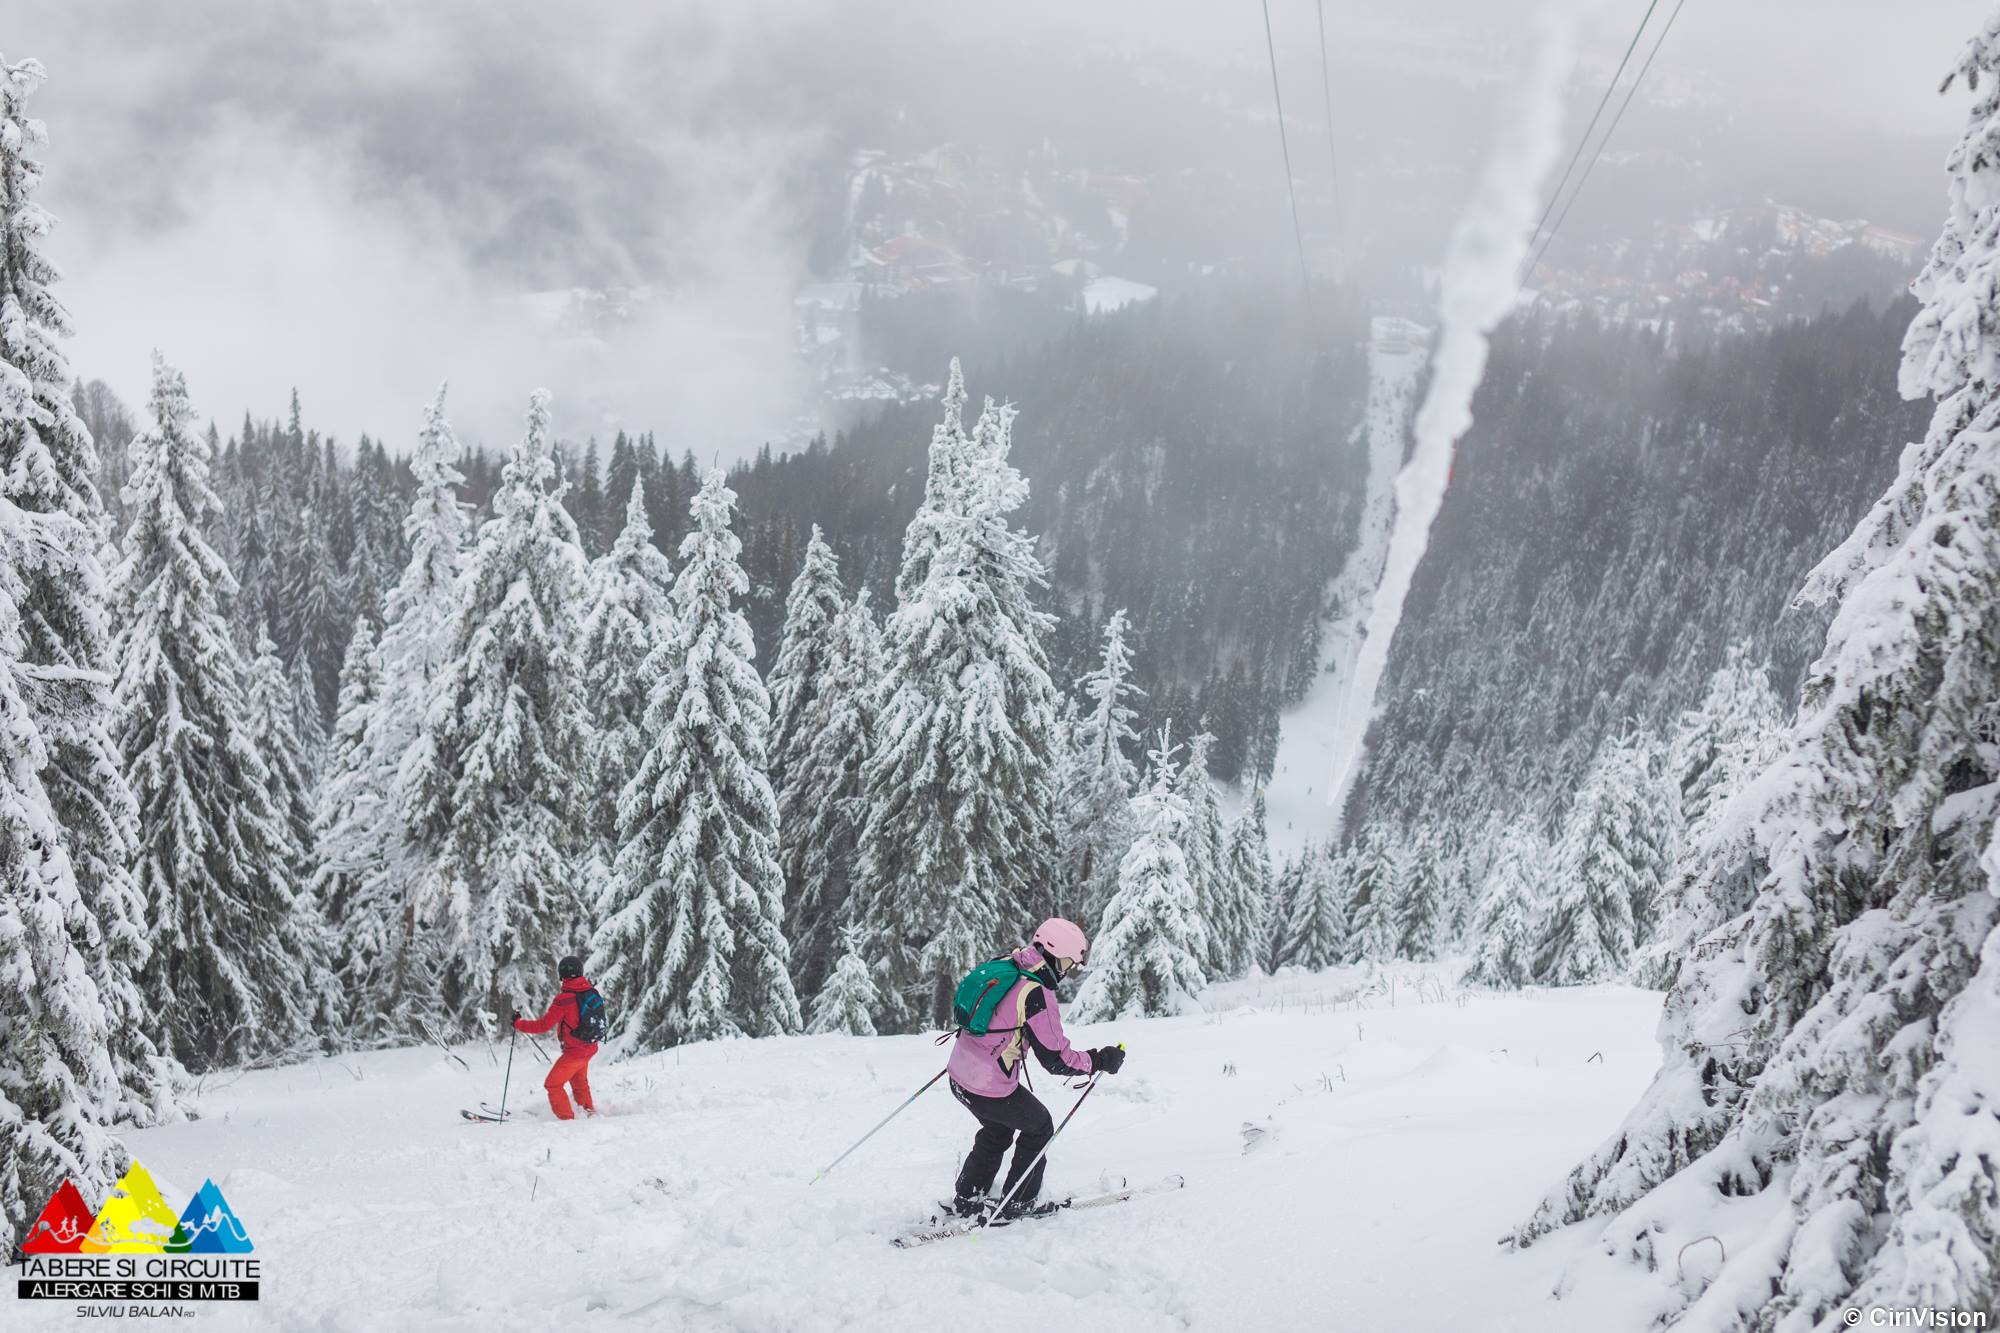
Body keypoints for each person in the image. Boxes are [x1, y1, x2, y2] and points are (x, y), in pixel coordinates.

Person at [944, 917, 1126, 1219]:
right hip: (988, 1087)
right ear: (1057, 955)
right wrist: (1099, 1060)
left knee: (998, 1130)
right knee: (1039, 1127)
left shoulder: (1009, 963)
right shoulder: (1035, 993)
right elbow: (1057, 1060)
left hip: (959, 1075)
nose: (1067, 971)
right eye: (1068, 963)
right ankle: (1019, 1202)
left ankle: (968, 1197)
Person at [511, 955, 600, 1120]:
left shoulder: (565, 999)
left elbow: (543, 1025)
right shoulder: (590, 991)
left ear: (562, 975)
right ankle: (588, 1114)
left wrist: (518, 1024)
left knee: (553, 1084)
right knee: (579, 1083)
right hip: (589, 1047)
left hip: (575, 1052)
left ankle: (567, 1120)